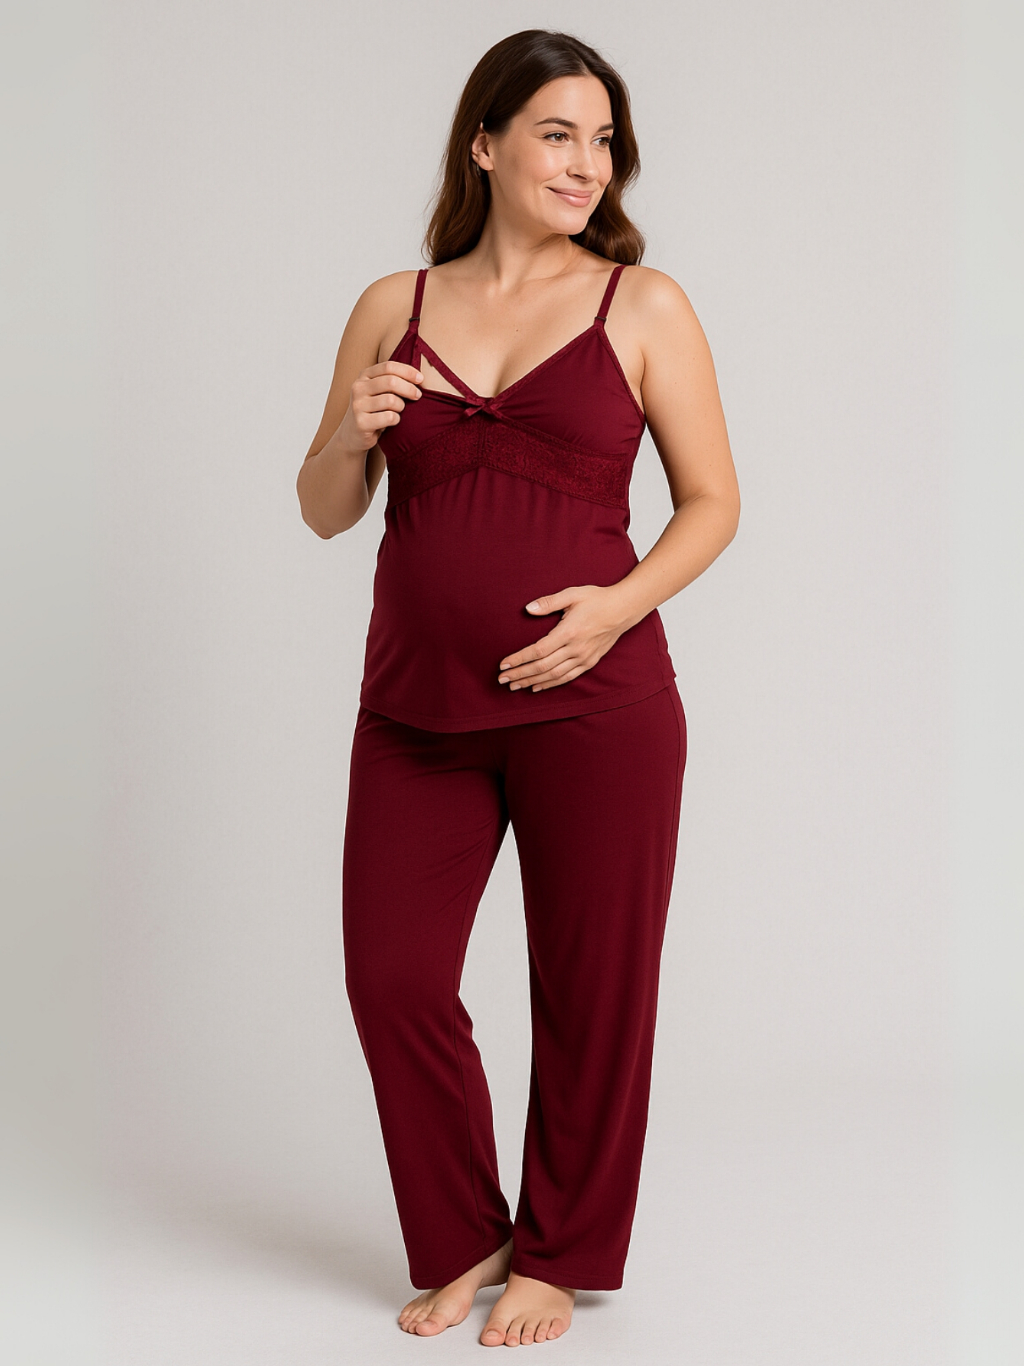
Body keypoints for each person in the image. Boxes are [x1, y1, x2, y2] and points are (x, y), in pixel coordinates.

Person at [296, 28, 739, 1349]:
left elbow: (713, 504)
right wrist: (351, 427)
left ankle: (557, 1252)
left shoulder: (642, 305)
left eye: (604, 141)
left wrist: (615, 607)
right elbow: (324, 507)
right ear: (484, 144)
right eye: (558, 133)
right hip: (414, 709)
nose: (587, 163)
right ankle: (466, 1231)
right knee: (392, 977)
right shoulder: (394, 304)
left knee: (594, 989)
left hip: (598, 707)